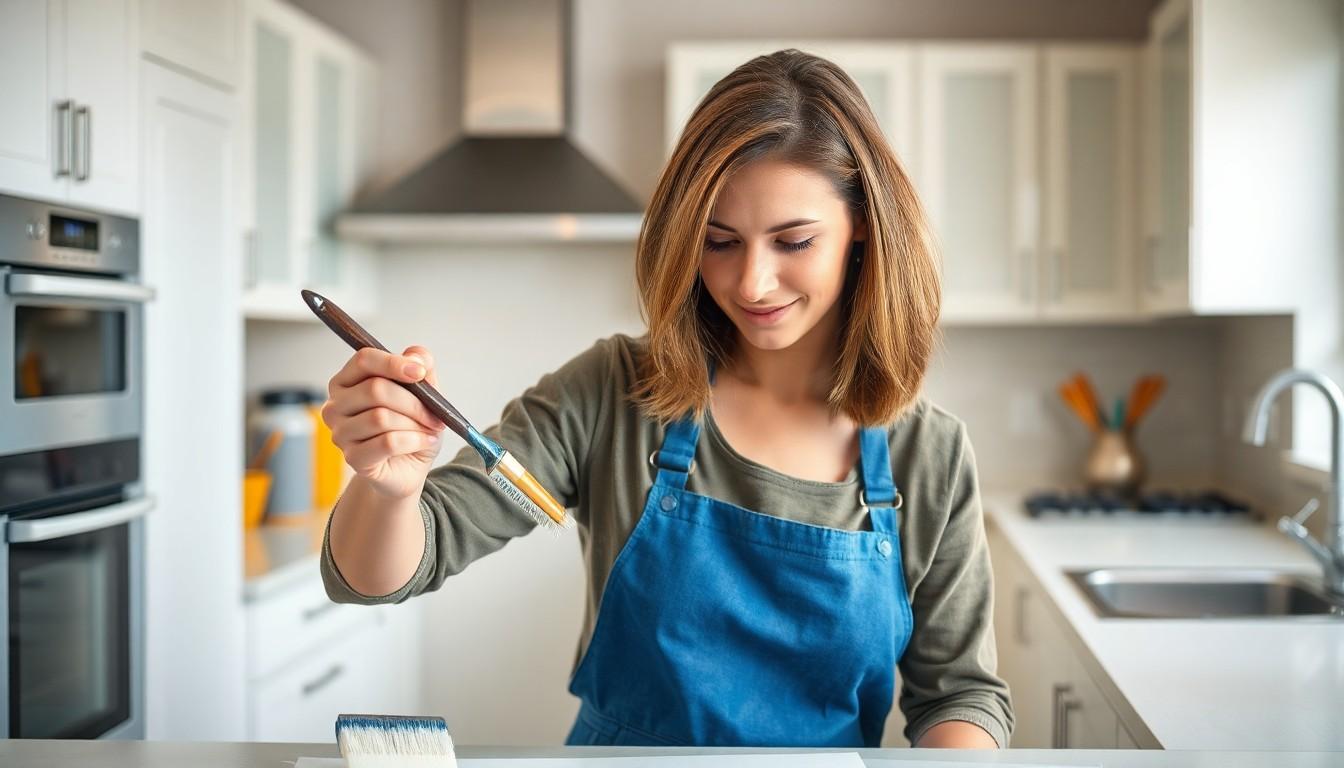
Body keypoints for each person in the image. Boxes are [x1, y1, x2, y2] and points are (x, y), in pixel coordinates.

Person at [319, 48, 1013, 749]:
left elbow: (958, 692)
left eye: (793, 241)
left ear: (863, 223)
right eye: (719, 242)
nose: (752, 283)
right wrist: (387, 490)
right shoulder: (613, 392)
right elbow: (384, 576)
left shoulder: (928, 452)